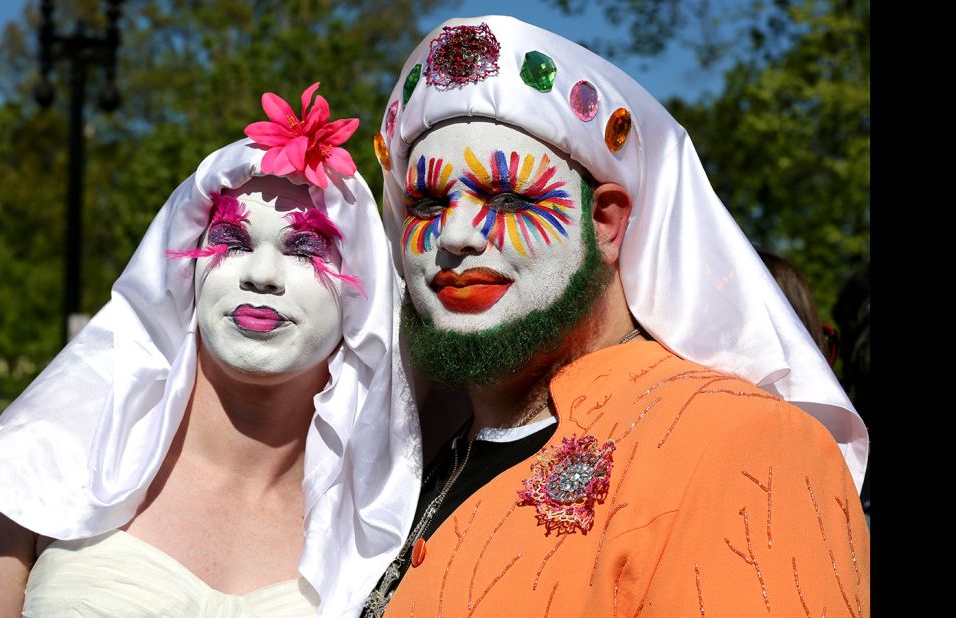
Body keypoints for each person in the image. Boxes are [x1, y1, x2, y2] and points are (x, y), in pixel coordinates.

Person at [364, 16, 869, 616]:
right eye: (426, 202)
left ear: (605, 222)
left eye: (506, 197)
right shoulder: (415, 465)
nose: (454, 235)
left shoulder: (740, 444)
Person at [0, 84, 420, 617]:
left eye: (304, 248)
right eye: (232, 242)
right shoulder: (45, 455)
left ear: (365, 293)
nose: (261, 276)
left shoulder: (384, 516)